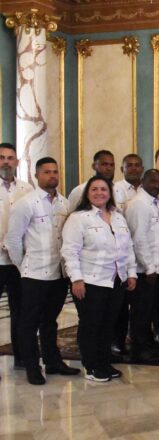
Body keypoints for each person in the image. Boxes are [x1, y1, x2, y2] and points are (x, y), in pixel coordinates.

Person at [4, 157, 79, 384]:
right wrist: (24, 265)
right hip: (34, 274)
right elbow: (13, 240)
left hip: (58, 273)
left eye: (55, 172)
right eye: (47, 172)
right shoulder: (26, 203)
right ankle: (31, 366)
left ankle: (53, 361)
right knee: (29, 322)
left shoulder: (63, 203)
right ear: (37, 175)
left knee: (50, 320)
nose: (52, 176)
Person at [61, 176, 137, 382]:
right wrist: (76, 279)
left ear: (110, 193)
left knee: (108, 323)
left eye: (103, 189)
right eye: (94, 189)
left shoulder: (118, 217)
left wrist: (131, 273)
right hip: (90, 281)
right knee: (91, 324)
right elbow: (70, 251)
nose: (99, 193)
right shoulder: (79, 218)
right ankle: (91, 365)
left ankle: (104, 361)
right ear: (87, 193)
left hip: (115, 279)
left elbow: (127, 248)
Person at [124, 169, 159, 363]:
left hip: (155, 267)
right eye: (152, 182)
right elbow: (138, 239)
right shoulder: (139, 205)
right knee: (140, 311)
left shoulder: (153, 203)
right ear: (143, 181)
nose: (156, 185)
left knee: (148, 310)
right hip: (143, 270)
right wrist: (149, 267)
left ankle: (145, 345)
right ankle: (138, 351)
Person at [0, 143, 34, 371]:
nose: (6, 162)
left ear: (17, 162)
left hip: (18, 261)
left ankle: (21, 356)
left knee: (20, 310)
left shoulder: (27, 189)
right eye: (2, 158)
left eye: (10, 158)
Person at [112, 153, 144, 356]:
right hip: (121, 254)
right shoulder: (115, 190)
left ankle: (139, 338)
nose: (133, 168)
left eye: (137, 165)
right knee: (120, 305)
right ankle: (118, 340)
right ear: (122, 169)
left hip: (141, 255)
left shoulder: (147, 189)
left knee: (140, 304)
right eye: (129, 165)